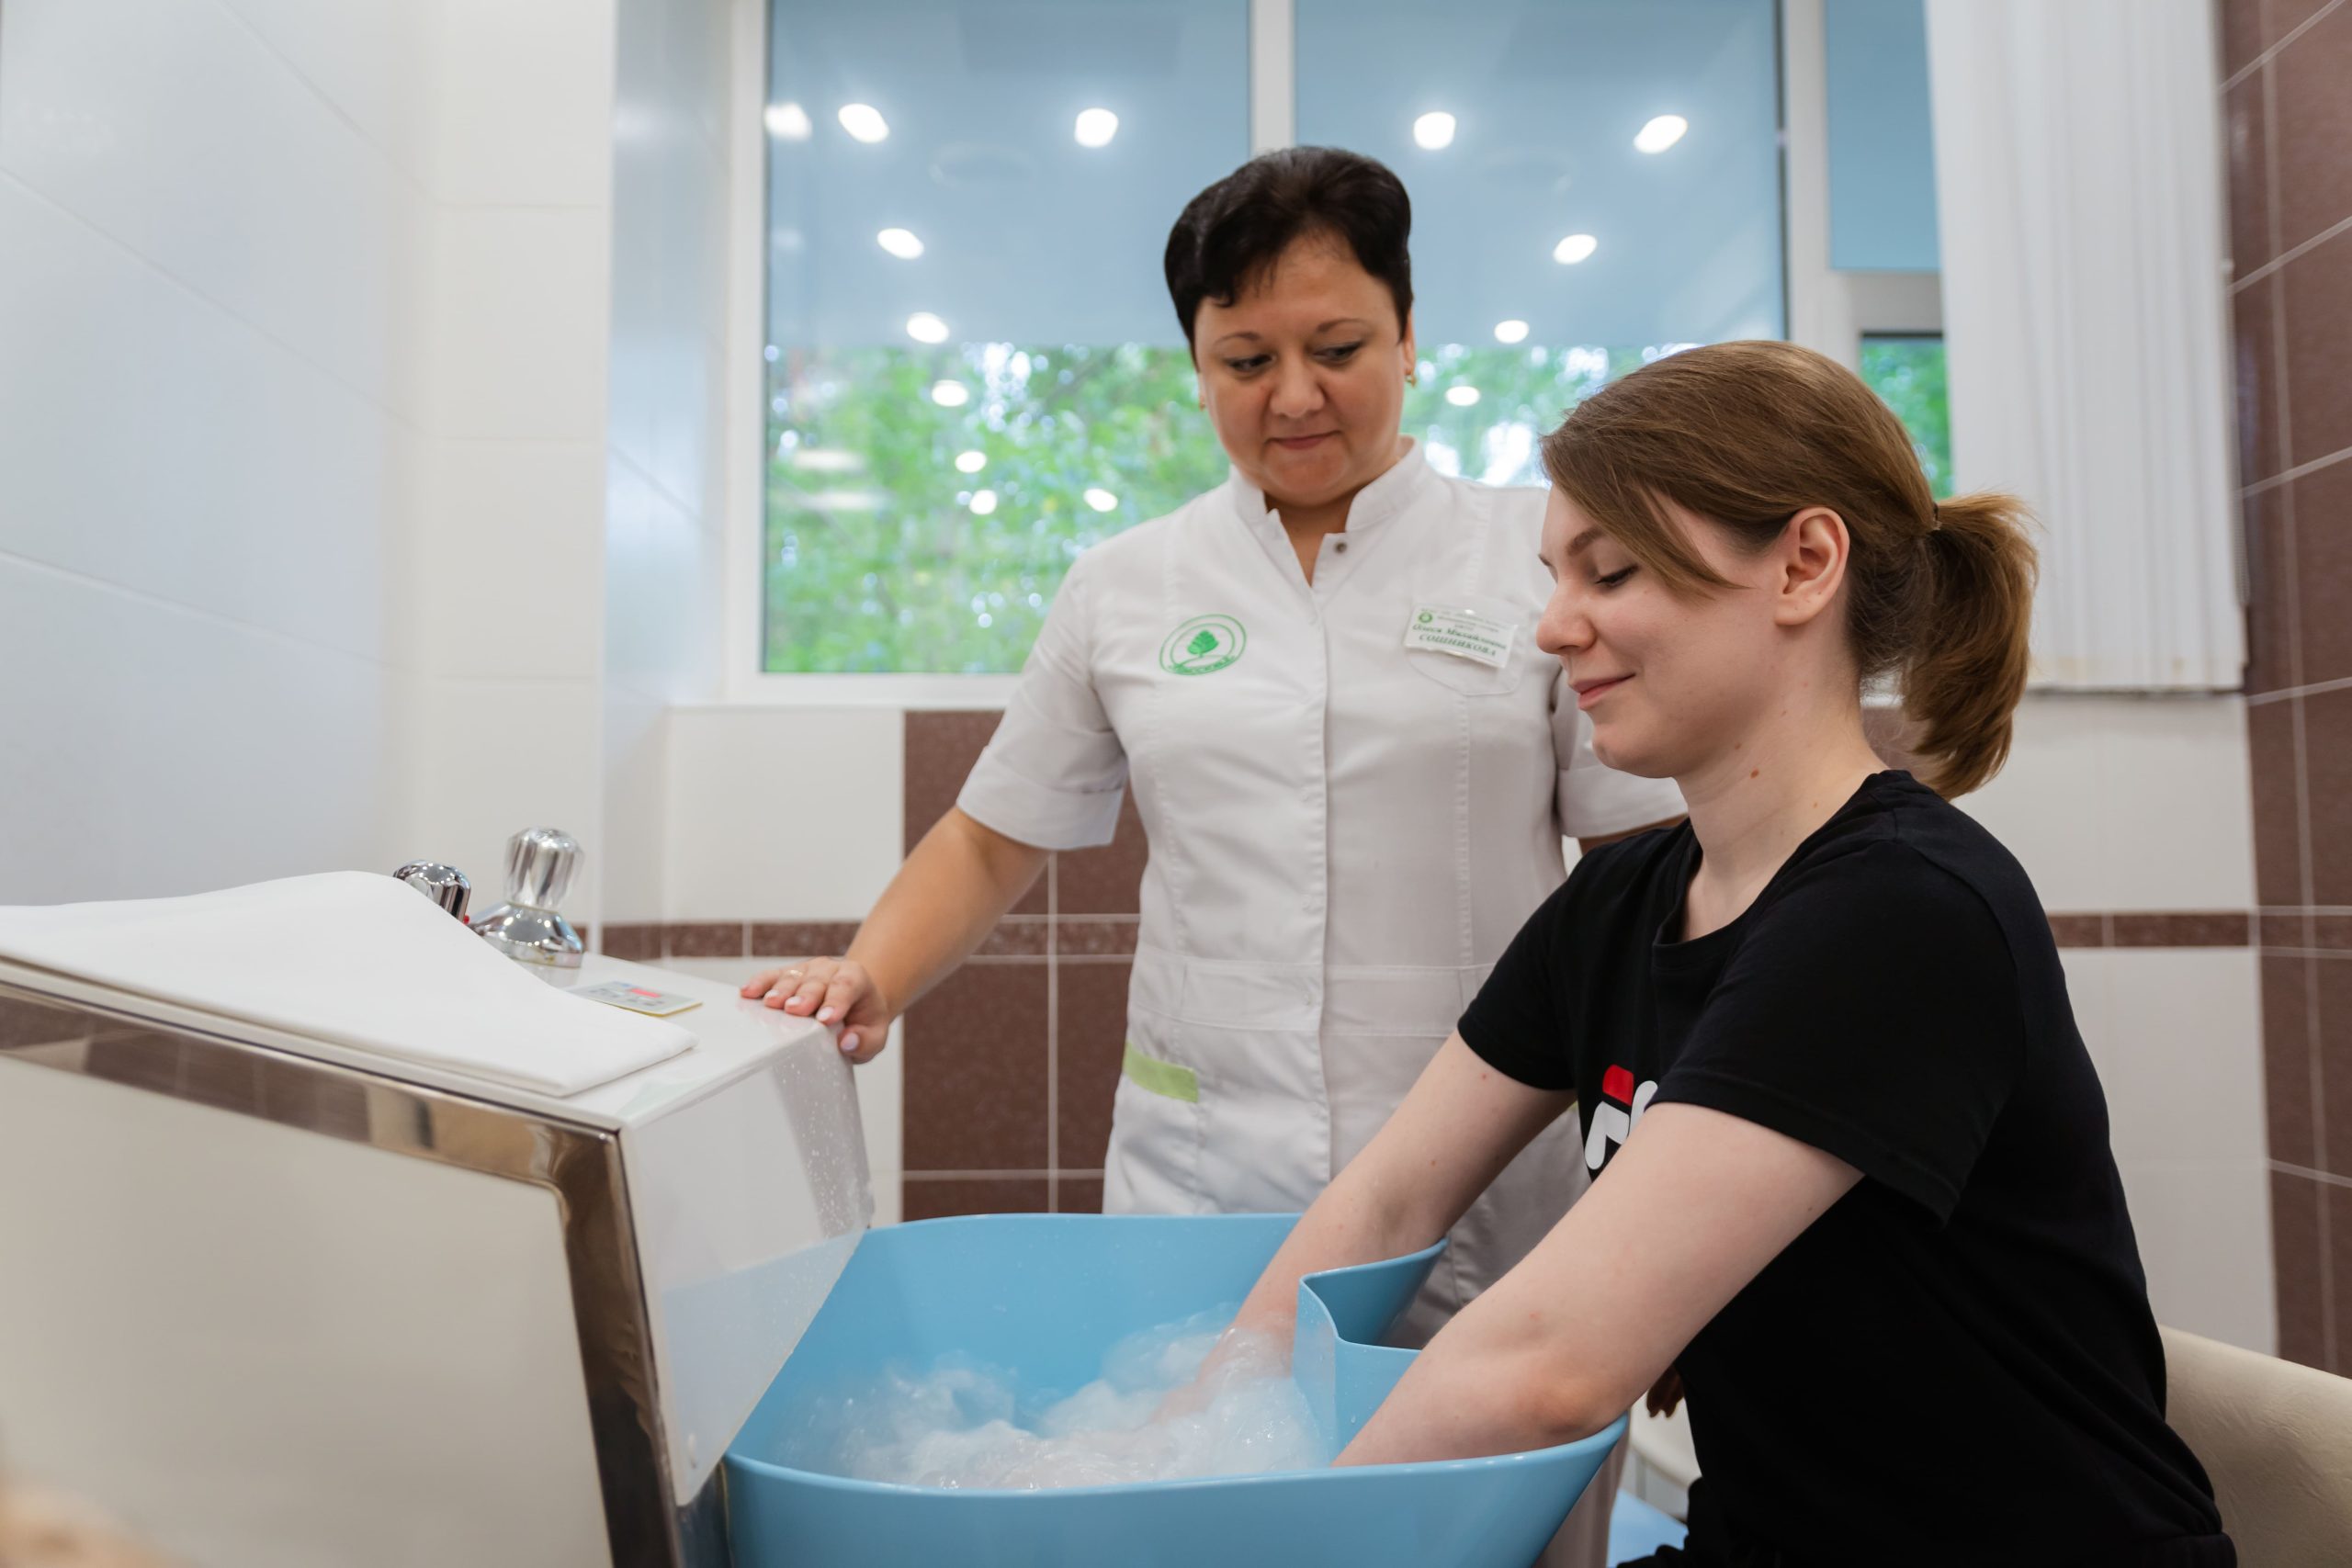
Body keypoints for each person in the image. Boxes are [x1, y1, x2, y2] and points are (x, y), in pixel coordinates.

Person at [743, 147, 1681, 1563]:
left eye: (1336, 348)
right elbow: (994, 834)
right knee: (1206, 1510)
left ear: (1409, 337)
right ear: (1195, 365)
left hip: (1492, 1172)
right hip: (1205, 1183)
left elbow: (1642, 871)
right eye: (1245, 359)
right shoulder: (1129, 584)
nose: (1292, 394)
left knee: (1495, 1524)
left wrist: (1662, 1166)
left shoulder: (1536, 560)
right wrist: (869, 976)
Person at [1196, 338, 2234, 1565]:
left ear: (1803, 565)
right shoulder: (1618, 904)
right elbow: (1385, 1203)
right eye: (1553, 577)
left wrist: (1248, 1547)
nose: (1553, 627)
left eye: (1612, 570)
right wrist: (1184, 1449)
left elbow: (1549, 1369)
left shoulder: (1902, 912)